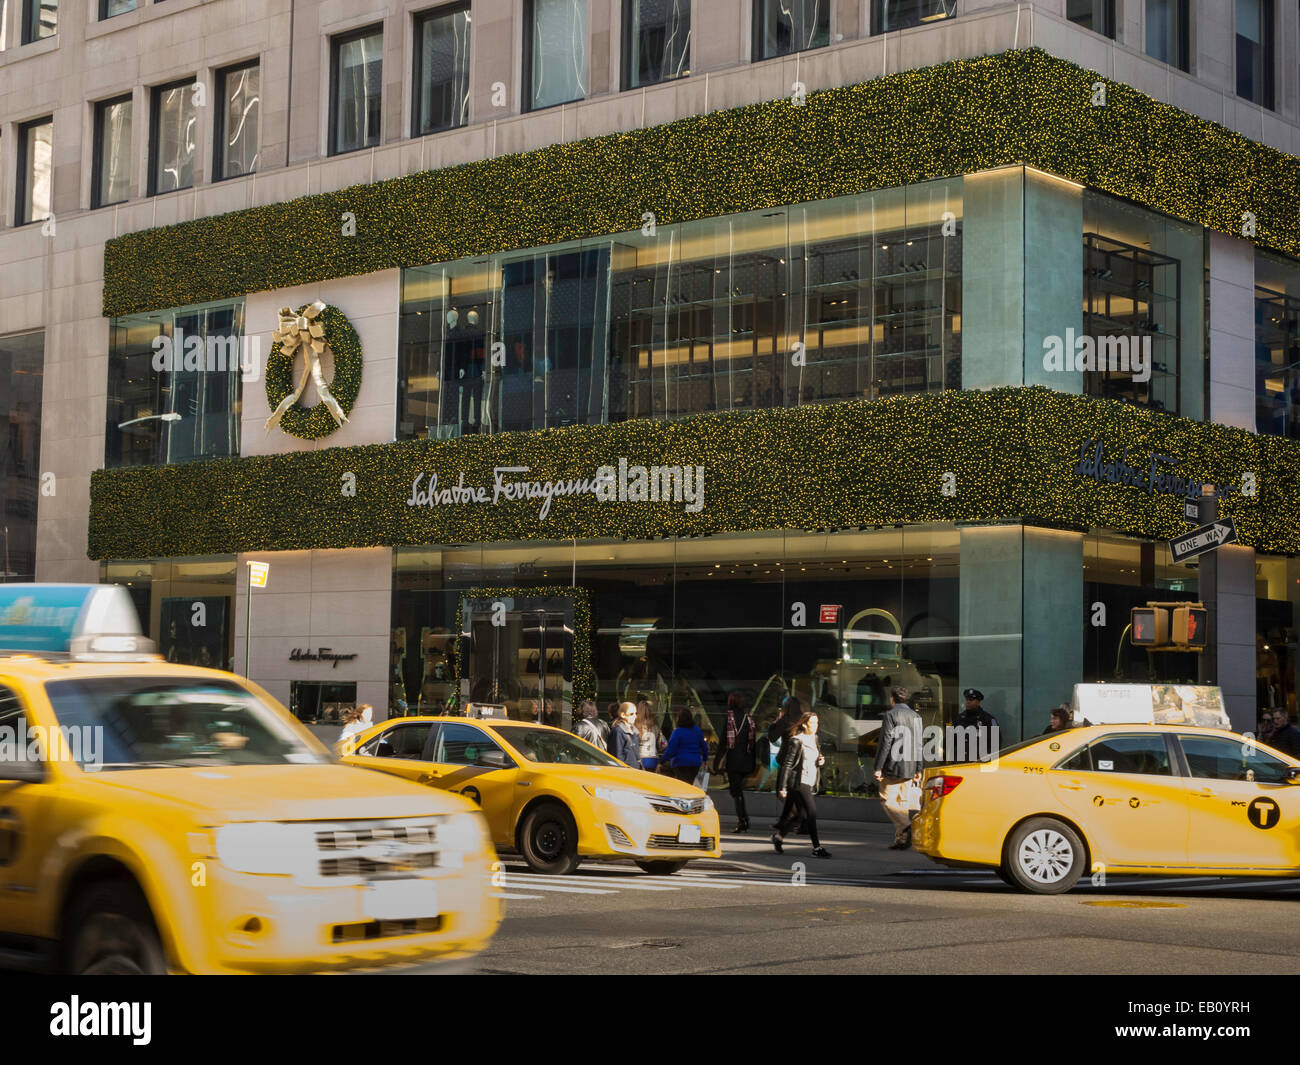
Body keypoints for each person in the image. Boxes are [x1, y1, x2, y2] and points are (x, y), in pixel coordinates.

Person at [771, 710, 831, 858]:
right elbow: (787, 764)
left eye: (817, 722)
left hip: (810, 780)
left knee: (800, 815)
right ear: (804, 724)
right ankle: (817, 848)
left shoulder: (815, 738)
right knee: (811, 812)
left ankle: (778, 837)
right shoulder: (797, 740)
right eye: (812, 723)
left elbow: (816, 757)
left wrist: (821, 761)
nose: (815, 726)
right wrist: (782, 787)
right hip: (799, 781)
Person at [874, 686, 923, 850]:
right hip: (910, 765)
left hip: (893, 765)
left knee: (887, 800)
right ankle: (901, 840)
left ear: (892, 698)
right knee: (902, 802)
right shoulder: (916, 716)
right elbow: (919, 744)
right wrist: (919, 768)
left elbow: (886, 742)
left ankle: (906, 825)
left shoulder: (890, 715)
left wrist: (878, 767)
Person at [713, 692, 757, 832]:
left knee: (736, 792)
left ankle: (743, 821)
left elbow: (722, 743)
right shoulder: (749, 718)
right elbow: (753, 741)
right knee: (738, 791)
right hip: (746, 761)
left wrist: (716, 762)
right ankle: (744, 820)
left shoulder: (729, 718)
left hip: (733, 761)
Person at [661, 707, 709, 783]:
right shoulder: (697, 730)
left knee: (682, 785)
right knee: (689, 784)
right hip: (695, 763)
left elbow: (671, 750)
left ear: (679, 719)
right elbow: (704, 746)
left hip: (680, 763)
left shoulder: (677, 732)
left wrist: (662, 761)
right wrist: (705, 759)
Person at [635, 699, 665, 771]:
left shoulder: (634, 725)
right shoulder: (655, 725)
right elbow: (663, 744)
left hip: (639, 759)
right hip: (653, 759)